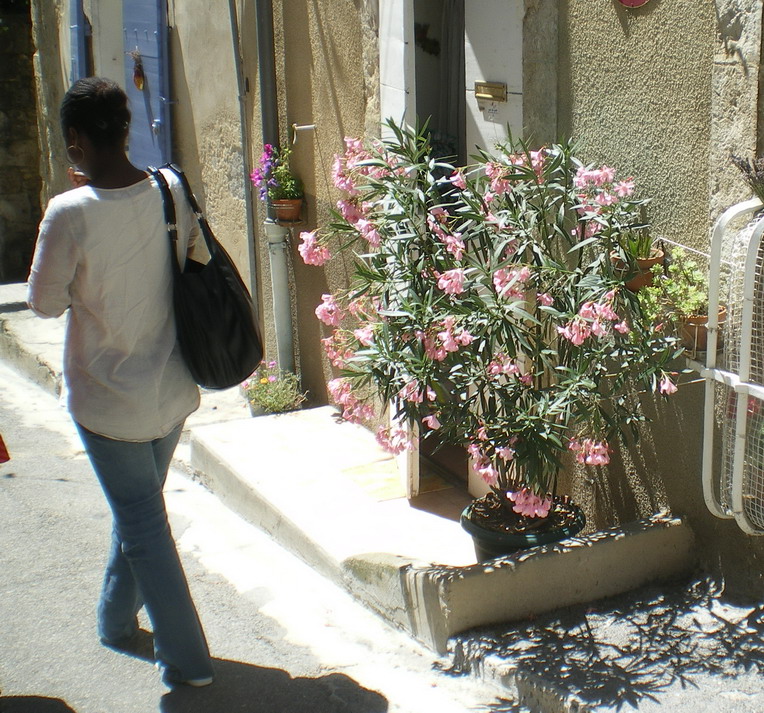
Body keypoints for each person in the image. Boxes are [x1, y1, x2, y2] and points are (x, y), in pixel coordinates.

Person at [27, 77, 214, 688]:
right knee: (139, 513)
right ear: (125, 128)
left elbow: (44, 304)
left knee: (140, 522)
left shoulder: (69, 213)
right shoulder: (170, 187)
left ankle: (188, 661)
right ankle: (113, 620)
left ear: (76, 139)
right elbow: (196, 257)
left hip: (108, 399)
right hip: (172, 389)